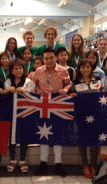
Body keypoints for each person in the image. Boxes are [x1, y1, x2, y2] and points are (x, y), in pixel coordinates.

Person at [33, 48, 72, 177]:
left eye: (51, 57)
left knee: (57, 132)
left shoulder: (63, 70)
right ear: (43, 59)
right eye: (46, 58)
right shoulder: (38, 71)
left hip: (57, 104)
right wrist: (37, 90)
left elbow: (68, 84)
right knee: (43, 132)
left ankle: (58, 162)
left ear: (55, 57)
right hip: (43, 105)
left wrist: (65, 90)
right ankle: (43, 162)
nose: (49, 60)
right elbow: (34, 86)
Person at [69, 59, 104, 178]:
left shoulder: (98, 80)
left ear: (92, 68)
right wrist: (73, 95)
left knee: (94, 140)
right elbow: (71, 95)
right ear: (79, 69)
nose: (85, 69)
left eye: (88, 67)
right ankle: (85, 165)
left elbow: (103, 95)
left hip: (95, 115)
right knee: (82, 139)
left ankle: (93, 164)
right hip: (81, 115)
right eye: (83, 67)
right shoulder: (76, 82)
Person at [5, 58, 35, 173]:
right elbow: (4, 96)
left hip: (24, 114)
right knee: (11, 137)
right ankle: (12, 159)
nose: (18, 70)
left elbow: (33, 99)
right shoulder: (8, 82)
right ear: (12, 71)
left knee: (23, 136)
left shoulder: (28, 82)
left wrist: (25, 92)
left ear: (24, 69)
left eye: (20, 68)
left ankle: (22, 160)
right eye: (16, 68)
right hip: (11, 114)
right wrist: (8, 90)